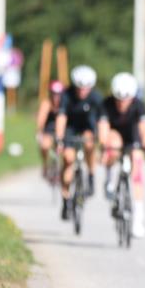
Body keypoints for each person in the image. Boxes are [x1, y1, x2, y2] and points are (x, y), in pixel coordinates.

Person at [101, 72, 145, 238]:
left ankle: (138, 220)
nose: (122, 103)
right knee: (112, 143)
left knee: (137, 168)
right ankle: (109, 179)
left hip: (132, 137)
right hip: (115, 135)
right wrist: (104, 147)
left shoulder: (138, 105)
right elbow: (103, 129)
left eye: (126, 99)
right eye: (118, 99)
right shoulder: (106, 104)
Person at [54, 65, 106, 221]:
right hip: (70, 128)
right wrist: (59, 139)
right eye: (79, 88)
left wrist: (102, 143)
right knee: (68, 159)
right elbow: (61, 118)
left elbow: (102, 122)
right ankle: (65, 198)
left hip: (87, 127)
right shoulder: (66, 95)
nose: (82, 91)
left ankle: (90, 174)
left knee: (89, 143)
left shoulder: (96, 97)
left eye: (86, 88)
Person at [35, 80, 65, 180]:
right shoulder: (46, 104)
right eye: (54, 94)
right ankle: (45, 164)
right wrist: (39, 132)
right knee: (44, 146)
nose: (56, 96)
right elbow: (41, 119)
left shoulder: (65, 104)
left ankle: (63, 168)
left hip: (63, 131)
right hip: (49, 131)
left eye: (58, 94)